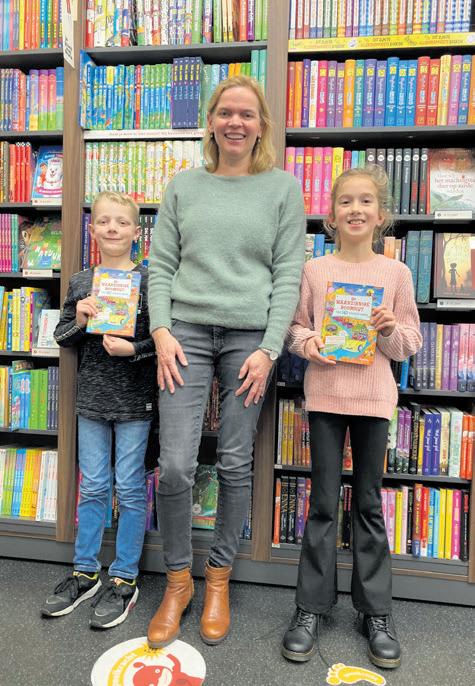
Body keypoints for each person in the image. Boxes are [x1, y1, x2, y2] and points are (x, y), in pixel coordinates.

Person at [146, 74, 306, 649]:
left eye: (247, 114)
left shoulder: (283, 188)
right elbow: (161, 266)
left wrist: (269, 348)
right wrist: (160, 331)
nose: (236, 122)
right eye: (226, 112)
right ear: (211, 122)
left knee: (236, 461)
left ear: (260, 126)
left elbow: (289, 273)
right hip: (184, 331)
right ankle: (178, 581)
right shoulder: (183, 186)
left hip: (250, 338)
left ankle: (218, 578)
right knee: (175, 465)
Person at [281, 166, 422, 669]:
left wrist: (387, 329)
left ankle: (375, 612)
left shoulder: (396, 274)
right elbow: (294, 329)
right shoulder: (315, 271)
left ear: (381, 215)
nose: (356, 209)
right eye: (346, 201)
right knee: (322, 503)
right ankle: (310, 607)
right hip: (325, 397)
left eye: (366, 201)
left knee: (367, 504)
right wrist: (310, 343)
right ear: (332, 215)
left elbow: (409, 343)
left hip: (373, 401)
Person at [41, 192, 156, 629]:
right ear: (92, 230)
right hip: (91, 399)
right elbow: (62, 337)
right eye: (104, 221)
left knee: (130, 488)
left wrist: (133, 349)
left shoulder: (150, 281)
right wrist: (81, 320)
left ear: (136, 231)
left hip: (135, 402)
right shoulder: (81, 282)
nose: (112, 228)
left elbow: (162, 343)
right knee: (92, 487)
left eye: (122, 222)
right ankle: (85, 572)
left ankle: (124, 577)